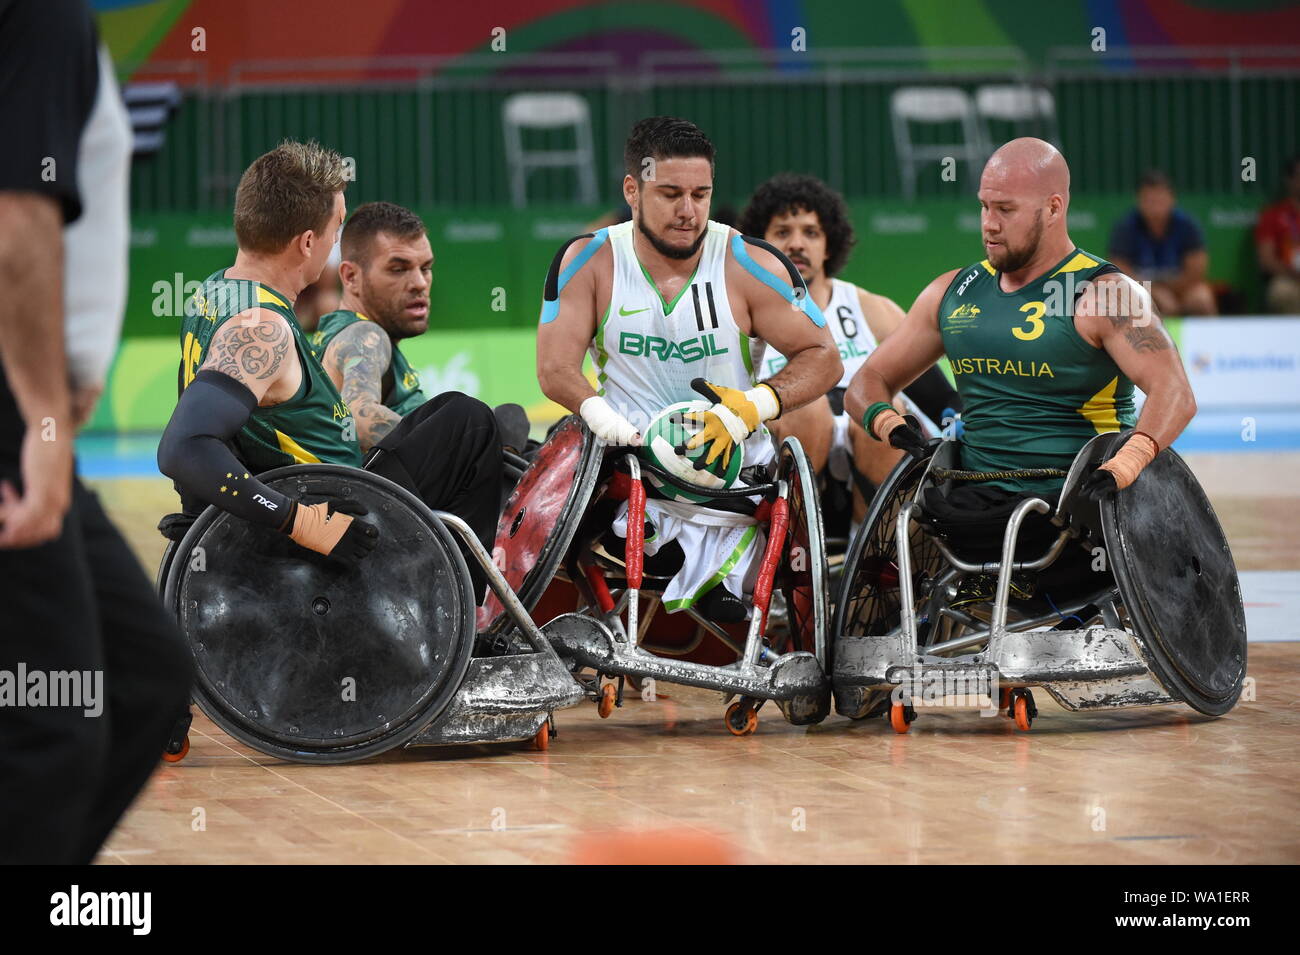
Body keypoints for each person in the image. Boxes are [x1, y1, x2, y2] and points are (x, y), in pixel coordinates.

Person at [0, 0, 192, 864]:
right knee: (53, 725)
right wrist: (43, 414)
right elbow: (15, 227)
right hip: (14, 410)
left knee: (141, 677)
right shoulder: (42, 16)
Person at [155, 143, 502, 599]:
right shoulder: (261, 329)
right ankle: (460, 616)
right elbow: (183, 450)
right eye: (336, 231)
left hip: (315, 495)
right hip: (331, 525)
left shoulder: (216, 289)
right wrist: (299, 521)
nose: (335, 250)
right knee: (470, 424)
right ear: (306, 242)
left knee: (447, 415)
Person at [537, 117, 842, 621]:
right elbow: (553, 368)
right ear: (632, 190)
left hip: (733, 474)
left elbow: (823, 356)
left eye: (700, 194)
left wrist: (751, 407)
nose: (687, 212)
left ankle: (727, 587)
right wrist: (600, 415)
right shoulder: (588, 260)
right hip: (630, 468)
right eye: (670, 194)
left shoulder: (748, 263)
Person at [847, 137, 1196, 546]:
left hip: (1076, 501)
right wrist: (888, 422)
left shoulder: (1108, 294)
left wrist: (1127, 463)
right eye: (984, 206)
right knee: (892, 557)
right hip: (969, 498)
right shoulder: (952, 292)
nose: (989, 223)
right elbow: (866, 382)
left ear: (1053, 208)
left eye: (1005, 210)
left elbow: (1175, 393)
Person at [737, 172, 961, 526]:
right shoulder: (742, 315)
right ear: (759, 245)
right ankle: (794, 553)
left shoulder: (872, 310)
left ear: (829, 245)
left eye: (811, 232)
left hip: (875, 470)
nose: (797, 244)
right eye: (782, 232)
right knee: (805, 410)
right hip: (784, 473)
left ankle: (877, 562)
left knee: (888, 413)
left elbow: (940, 398)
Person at [1108, 170, 1216, 315]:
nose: (1155, 206)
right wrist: (1154, 292)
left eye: (1160, 199)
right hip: (1141, 290)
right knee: (1133, 300)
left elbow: (1197, 270)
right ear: (1139, 200)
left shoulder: (1187, 225)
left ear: (1172, 199)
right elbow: (1119, 272)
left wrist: (1170, 291)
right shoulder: (1125, 227)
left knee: (1201, 298)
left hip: (1182, 290)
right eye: (1149, 200)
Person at [1255, 154, 1300, 314]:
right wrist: (1292, 272)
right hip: (1287, 277)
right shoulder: (1272, 215)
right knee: (1281, 292)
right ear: (1289, 180)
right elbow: (1266, 260)